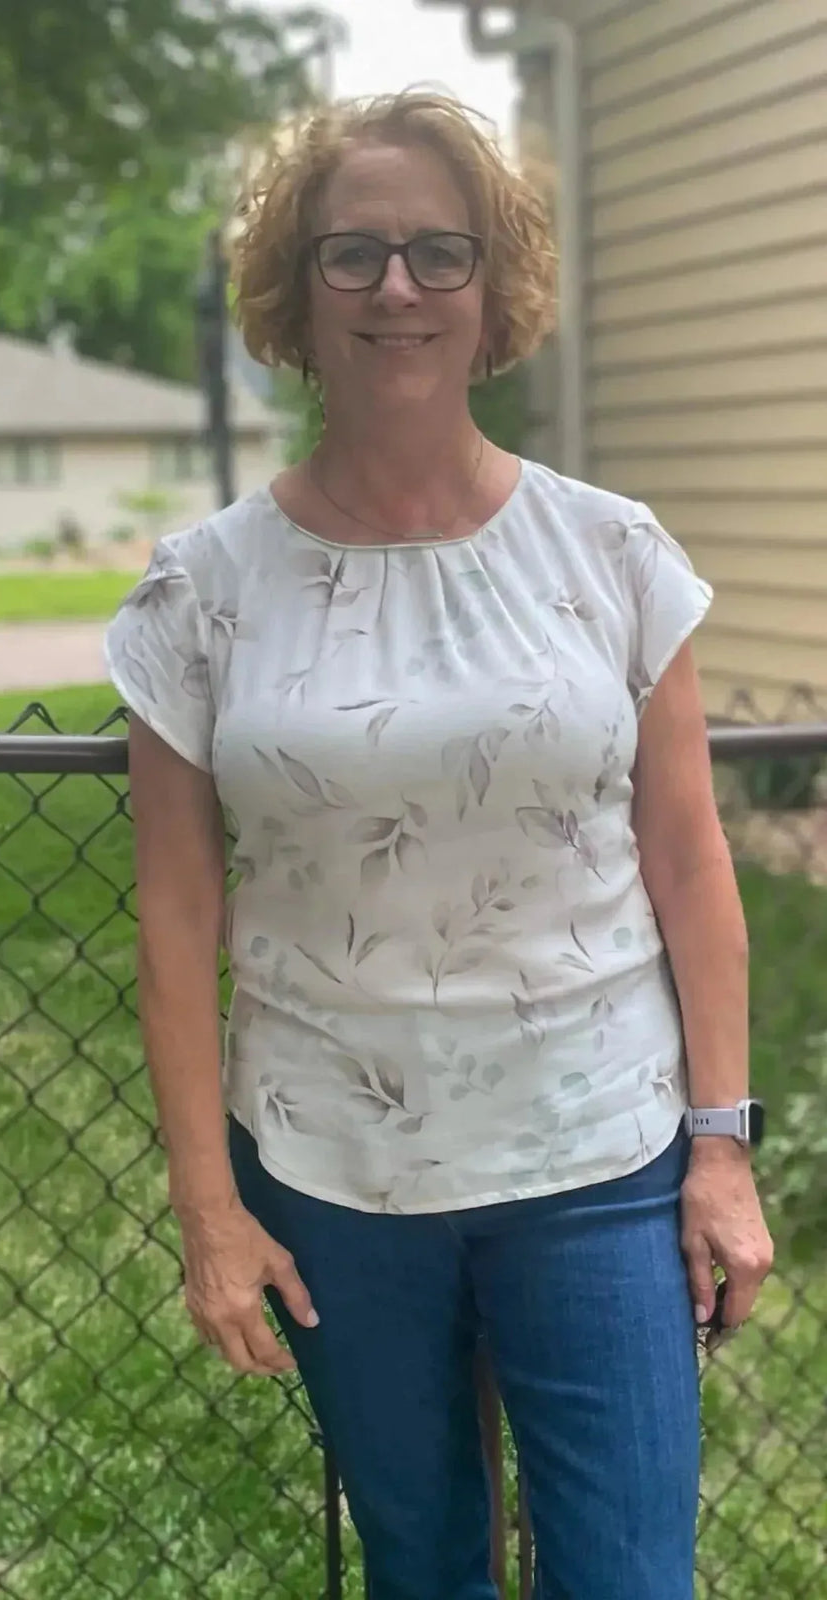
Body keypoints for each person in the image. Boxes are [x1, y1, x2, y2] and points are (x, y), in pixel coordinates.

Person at [103, 90, 773, 1600]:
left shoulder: (613, 556)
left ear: (493, 292)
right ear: (297, 291)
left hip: (598, 1153)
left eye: (436, 253)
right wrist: (211, 1213)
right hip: (334, 1175)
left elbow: (688, 862)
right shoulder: (201, 593)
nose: (396, 288)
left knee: (627, 1577)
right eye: (352, 254)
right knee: (422, 1568)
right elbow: (172, 918)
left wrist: (720, 1147)